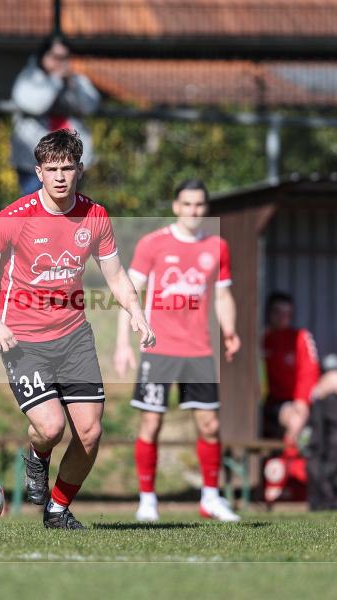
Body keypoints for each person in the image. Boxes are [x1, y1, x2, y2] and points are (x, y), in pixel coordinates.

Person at [0, 129, 155, 530]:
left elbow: (114, 275)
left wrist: (136, 311)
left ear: (80, 169)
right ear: (39, 172)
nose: (61, 176)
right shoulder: (16, 217)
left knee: (91, 432)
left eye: (68, 168)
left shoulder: (95, 216)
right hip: (22, 339)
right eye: (52, 169)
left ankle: (58, 510)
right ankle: (37, 456)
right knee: (50, 427)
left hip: (74, 336)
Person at [113, 179, 241, 523]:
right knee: (151, 423)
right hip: (159, 351)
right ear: (175, 206)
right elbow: (128, 294)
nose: (193, 211)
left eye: (199, 205)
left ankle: (211, 499)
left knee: (210, 424)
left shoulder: (217, 246)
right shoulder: (153, 244)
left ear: (206, 208)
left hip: (199, 352)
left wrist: (229, 330)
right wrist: (123, 343)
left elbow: (223, 295)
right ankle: (147, 501)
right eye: (187, 204)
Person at [10, 36, 100, 196]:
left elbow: (91, 106)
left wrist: (74, 87)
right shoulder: (29, 78)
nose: (61, 63)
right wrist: (56, 81)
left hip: (70, 160)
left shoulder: (75, 80)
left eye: (65, 58)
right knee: (36, 211)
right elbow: (37, 105)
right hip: (34, 162)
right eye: (56, 57)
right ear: (43, 57)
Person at [261, 292, 320, 446]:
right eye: (278, 312)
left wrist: (302, 401)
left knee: (298, 419)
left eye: (287, 313)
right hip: (271, 402)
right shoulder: (261, 339)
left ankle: (287, 462)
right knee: (296, 420)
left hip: (298, 402)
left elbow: (309, 372)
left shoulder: (300, 337)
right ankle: (286, 463)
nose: (282, 317)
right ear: (269, 313)